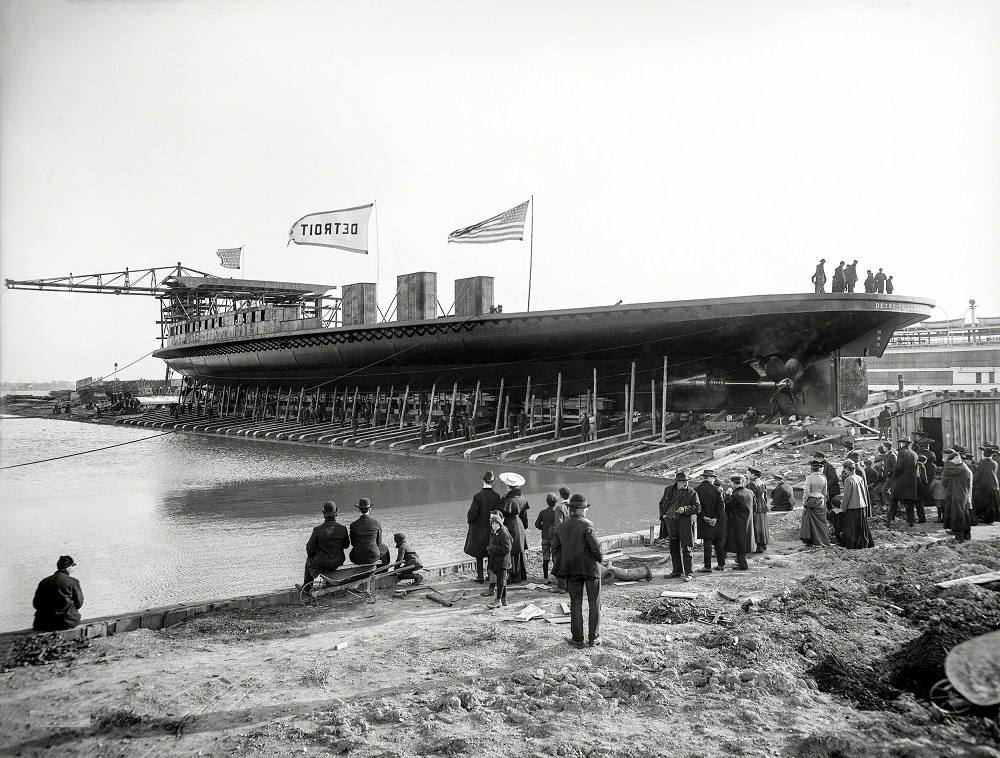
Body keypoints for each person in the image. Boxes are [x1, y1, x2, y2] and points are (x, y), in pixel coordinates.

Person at [551, 494, 604, 648]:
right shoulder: (587, 525)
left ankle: (578, 640)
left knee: (575, 603)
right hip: (590, 569)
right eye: (585, 508)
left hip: (571, 569)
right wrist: (599, 559)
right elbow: (597, 548)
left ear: (570, 509)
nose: (586, 511)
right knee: (594, 603)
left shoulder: (561, 527)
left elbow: (555, 549)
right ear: (580, 510)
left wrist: (565, 560)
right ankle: (593, 638)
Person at [658, 471, 701, 581]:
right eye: (683, 482)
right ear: (677, 482)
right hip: (671, 524)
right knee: (673, 548)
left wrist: (685, 509)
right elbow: (661, 503)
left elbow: (698, 508)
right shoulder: (668, 490)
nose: (685, 483)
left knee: (686, 549)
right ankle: (676, 571)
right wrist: (662, 515)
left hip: (685, 524)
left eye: (686, 481)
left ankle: (689, 574)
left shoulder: (692, 493)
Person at [303, 501, 351, 589]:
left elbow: (309, 548)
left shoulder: (318, 530)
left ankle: (306, 588)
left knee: (308, 563)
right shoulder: (343, 529)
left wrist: (312, 557)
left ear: (324, 514)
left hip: (322, 562)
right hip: (338, 562)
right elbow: (346, 545)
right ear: (336, 514)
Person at [465, 470, 501, 583]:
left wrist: (469, 521)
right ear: (493, 482)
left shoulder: (478, 496)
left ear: (482, 480)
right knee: (491, 552)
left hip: (478, 529)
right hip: (492, 527)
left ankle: (480, 576)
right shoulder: (497, 496)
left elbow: (472, 514)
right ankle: (490, 576)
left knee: (479, 554)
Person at [33, 555, 84, 632]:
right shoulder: (73, 582)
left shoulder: (44, 582)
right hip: (66, 622)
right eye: (72, 566)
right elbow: (79, 604)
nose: (72, 570)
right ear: (67, 568)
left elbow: (36, 604)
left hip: (43, 623)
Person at [498, 472, 530, 583]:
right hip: (519, 524)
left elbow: (500, 514)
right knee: (518, 550)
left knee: (509, 550)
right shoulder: (522, 498)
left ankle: (510, 577)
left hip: (509, 525)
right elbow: (524, 516)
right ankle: (520, 576)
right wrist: (524, 526)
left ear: (508, 486)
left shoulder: (506, 500)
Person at [695, 469, 727, 573]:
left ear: (703, 477)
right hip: (716, 521)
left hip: (704, 521)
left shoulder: (696, 490)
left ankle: (707, 566)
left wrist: (705, 517)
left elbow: (697, 507)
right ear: (711, 478)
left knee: (707, 544)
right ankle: (721, 565)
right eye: (713, 478)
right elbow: (721, 506)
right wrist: (715, 518)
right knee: (719, 543)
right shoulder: (717, 490)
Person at [839, 460, 874, 549]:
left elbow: (847, 495)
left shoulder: (848, 480)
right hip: (861, 505)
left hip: (852, 507)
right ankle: (863, 543)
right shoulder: (859, 478)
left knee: (851, 528)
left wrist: (843, 507)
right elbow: (864, 492)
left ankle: (852, 544)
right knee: (861, 527)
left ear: (846, 468)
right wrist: (865, 503)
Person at [891, 437, 924, 526]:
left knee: (894, 499)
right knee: (910, 501)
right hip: (912, 481)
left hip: (902, 481)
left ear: (903, 443)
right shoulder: (914, 453)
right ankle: (911, 520)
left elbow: (898, 467)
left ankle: (890, 519)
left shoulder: (901, 452)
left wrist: (894, 475)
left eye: (900, 443)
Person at [724, 475, 754, 570]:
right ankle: (741, 562)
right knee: (744, 542)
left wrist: (727, 495)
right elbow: (755, 506)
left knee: (739, 543)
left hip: (737, 522)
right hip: (748, 521)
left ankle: (743, 565)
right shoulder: (750, 492)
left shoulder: (735, 495)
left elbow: (727, 507)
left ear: (732, 483)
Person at [348, 498, 390, 567]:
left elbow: (353, 543)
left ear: (359, 510)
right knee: (384, 548)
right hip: (374, 556)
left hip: (358, 558)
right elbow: (379, 542)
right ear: (370, 509)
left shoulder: (353, 525)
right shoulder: (376, 523)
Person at [942, 450, 973, 542]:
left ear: (956, 458)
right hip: (962, 494)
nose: (951, 463)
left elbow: (947, 471)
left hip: (958, 495)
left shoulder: (960, 468)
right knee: (965, 514)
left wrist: (947, 462)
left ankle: (959, 537)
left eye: (952, 460)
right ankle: (967, 534)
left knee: (958, 515)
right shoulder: (964, 468)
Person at [800, 460, 830, 547]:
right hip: (821, 500)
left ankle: (812, 540)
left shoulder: (809, 478)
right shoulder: (824, 478)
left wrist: (804, 502)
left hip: (812, 499)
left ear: (812, 468)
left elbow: (806, 491)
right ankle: (823, 540)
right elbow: (825, 492)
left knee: (810, 521)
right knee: (821, 521)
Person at [485, 511, 512, 607]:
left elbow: (507, 548)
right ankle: (503, 600)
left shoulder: (503, 533)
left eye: (496, 523)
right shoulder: (493, 532)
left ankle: (498, 601)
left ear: (500, 523)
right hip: (496, 561)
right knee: (502, 580)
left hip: (503, 562)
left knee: (500, 581)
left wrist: (492, 548)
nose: (494, 525)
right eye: (493, 523)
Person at [535, 493, 562, 583]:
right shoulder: (557, 513)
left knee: (545, 558)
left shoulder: (542, 512)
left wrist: (542, 528)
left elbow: (537, 524)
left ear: (547, 502)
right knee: (555, 558)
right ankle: (557, 577)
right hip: (554, 539)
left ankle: (546, 578)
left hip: (545, 537)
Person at [972, 444, 1000, 524]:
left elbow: (978, 474)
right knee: (990, 504)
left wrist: (975, 482)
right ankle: (990, 519)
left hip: (981, 486)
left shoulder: (982, 463)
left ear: (984, 454)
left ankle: (982, 517)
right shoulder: (994, 463)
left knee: (982, 503)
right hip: (992, 486)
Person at [747, 466, 769, 553]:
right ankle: (764, 544)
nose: (747, 475)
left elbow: (751, 498)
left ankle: (759, 546)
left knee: (756, 526)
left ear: (753, 474)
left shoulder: (751, 484)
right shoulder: (762, 482)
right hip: (763, 505)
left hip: (756, 507)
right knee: (763, 525)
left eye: (748, 473)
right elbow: (765, 496)